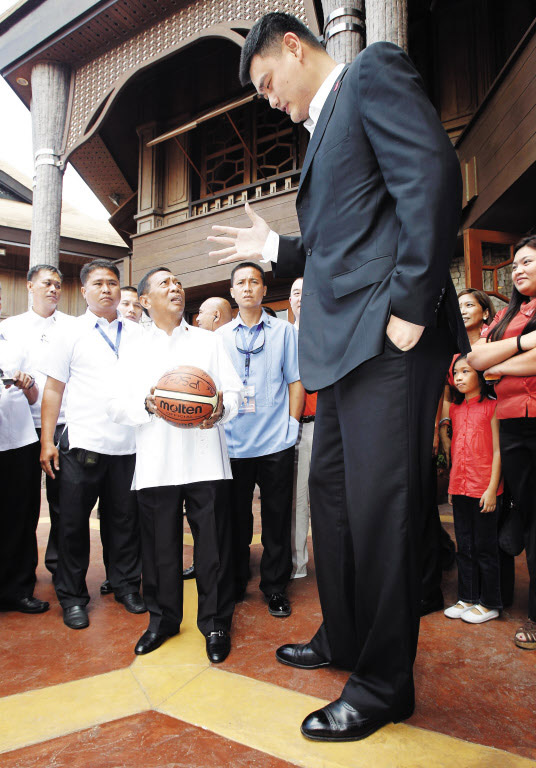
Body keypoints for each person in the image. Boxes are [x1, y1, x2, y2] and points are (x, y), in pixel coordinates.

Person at [209, 13, 468, 741]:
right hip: (339, 350)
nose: (270, 100)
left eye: (267, 83)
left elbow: (431, 173)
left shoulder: (372, 72)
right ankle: (346, 638)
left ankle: (384, 683)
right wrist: (278, 246)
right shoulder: (323, 126)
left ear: (293, 46)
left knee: (383, 510)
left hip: (387, 339)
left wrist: (415, 301)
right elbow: (344, 239)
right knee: (334, 503)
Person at [108, 267, 242, 660]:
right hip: (156, 461)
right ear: (145, 301)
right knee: (159, 549)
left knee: (213, 548)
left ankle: (216, 623)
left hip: (206, 459)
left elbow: (233, 392)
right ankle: (163, 620)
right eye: (164, 283)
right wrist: (146, 405)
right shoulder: (132, 347)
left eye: (178, 283)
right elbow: (114, 405)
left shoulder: (207, 341)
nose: (175, 288)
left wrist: (221, 410)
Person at [40, 260, 144, 630]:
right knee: (71, 525)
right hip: (81, 443)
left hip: (127, 445)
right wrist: (47, 441)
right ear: (83, 291)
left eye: (113, 283)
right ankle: (72, 597)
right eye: (98, 283)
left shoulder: (137, 333)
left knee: (125, 521)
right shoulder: (69, 333)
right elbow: (53, 388)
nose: (106, 289)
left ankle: (126, 585)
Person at [217, 262, 304, 617]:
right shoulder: (219, 337)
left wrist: (292, 427)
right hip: (234, 442)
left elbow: (296, 381)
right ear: (233, 291)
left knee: (277, 518)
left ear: (264, 290)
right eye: (241, 282)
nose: (248, 287)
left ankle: (275, 587)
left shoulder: (285, 332)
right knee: (236, 520)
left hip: (275, 442)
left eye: (255, 281)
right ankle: (237, 582)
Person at [468, 235, 536, 650]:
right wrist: (526, 342)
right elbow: (475, 359)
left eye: (529, 261)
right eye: (515, 265)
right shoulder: (509, 312)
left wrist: (499, 365)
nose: (519, 269)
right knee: (528, 515)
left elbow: (492, 364)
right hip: (511, 424)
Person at [0, 264, 73, 577]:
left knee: (63, 503)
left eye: (58, 284)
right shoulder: (11, 327)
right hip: (20, 427)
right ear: (30, 286)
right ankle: (21, 574)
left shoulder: (73, 326)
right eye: (46, 283)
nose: (53, 289)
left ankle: (59, 568)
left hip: (61, 423)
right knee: (23, 505)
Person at [444, 355, 503, 623]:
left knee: (485, 548)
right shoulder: (455, 410)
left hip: (484, 488)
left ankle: (489, 603)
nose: (458, 377)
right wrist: (451, 486)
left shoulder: (492, 407)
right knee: (464, 546)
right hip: (460, 486)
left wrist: (492, 488)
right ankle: (467, 597)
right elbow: (457, 450)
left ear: (480, 375)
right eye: (455, 373)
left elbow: (498, 450)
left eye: (465, 371)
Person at [0, 337, 49, 614]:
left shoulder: (15, 346)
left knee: (20, 518)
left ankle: (18, 590)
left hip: (19, 441)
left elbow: (35, 396)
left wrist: (27, 383)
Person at [289, 276, 316, 578]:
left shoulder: (332, 334)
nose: (301, 297)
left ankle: (337, 561)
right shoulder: (284, 336)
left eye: (307, 291)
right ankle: (297, 564)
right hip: (296, 428)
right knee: (297, 500)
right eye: (296, 292)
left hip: (330, 427)